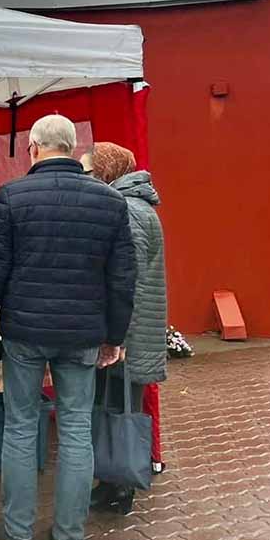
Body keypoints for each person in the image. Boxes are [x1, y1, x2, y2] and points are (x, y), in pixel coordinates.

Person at [0, 114, 137, 540]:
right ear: (72, 146)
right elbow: (123, 278)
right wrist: (115, 336)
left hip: (24, 332)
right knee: (76, 432)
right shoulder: (110, 202)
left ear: (34, 148)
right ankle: (69, 539)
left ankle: (18, 531)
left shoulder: (10, 197)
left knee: (22, 428)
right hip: (82, 333)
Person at [89, 142, 168, 515]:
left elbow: (125, 277)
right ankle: (112, 483)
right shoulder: (136, 205)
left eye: (95, 170)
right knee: (117, 405)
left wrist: (113, 333)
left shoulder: (129, 210)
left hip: (129, 331)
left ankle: (121, 488)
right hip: (134, 327)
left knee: (121, 408)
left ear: (109, 172)